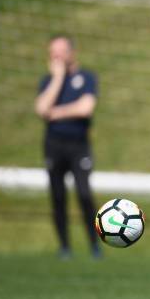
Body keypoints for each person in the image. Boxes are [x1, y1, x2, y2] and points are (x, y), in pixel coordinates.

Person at [35, 34, 101, 259]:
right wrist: (58, 78)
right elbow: (41, 109)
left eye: (60, 51)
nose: (56, 56)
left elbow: (85, 108)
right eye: (53, 52)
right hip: (54, 145)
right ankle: (64, 247)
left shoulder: (87, 78)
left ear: (72, 52)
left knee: (84, 194)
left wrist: (56, 113)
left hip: (78, 145)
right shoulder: (48, 81)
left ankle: (95, 245)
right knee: (57, 196)